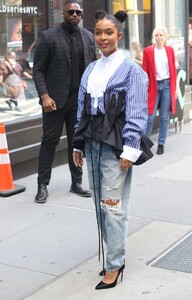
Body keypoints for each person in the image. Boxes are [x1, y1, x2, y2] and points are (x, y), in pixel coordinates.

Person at [72, 9, 148, 289]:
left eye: (108, 32)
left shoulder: (132, 71)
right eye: (98, 32)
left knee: (112, 207)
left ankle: (115, 264)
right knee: (99, 206)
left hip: (115, 148)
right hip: (91, 144)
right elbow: (82, 109)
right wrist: (77, 143)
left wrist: (130, 149)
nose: (102, 37)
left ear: (119, 34)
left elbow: (138, 113)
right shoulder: (91, 69)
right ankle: (113, 258)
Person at [33, 1, 96, 203]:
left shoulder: (88, 37)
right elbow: (38, 69)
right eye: (71, 11)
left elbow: (93, 68)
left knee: (76, 143)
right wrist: (44, 96)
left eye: (78, 12)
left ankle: (76, 182)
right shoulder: (48, 36)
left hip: (78, 100)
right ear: (63, 14)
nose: (75, 15)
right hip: (55, 101)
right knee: (49, 142)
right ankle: (42, 185)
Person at [142, 27, 177, 155]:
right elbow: (144, 71)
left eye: (161, 35)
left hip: (167, 85)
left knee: (163, 116)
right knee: (150, 117)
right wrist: (145, 89)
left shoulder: (170, 50)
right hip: (153, 86)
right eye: (156, 35)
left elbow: (173, 70)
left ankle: (161, 143)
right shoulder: (148, 51)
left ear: (165, 37)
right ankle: (145, 145)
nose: (159, 37)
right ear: (154, 37)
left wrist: (175, 89)